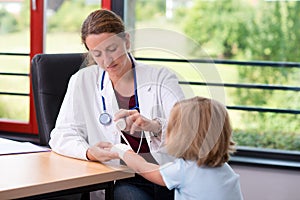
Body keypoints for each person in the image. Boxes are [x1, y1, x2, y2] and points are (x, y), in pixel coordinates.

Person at [49, 9, 185, 199]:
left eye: (112, 49)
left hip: (165, 173)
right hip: (121, 178)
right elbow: (61, 135)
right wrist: (89, 152)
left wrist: (154, 126)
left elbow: (186, 129)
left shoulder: (161, 77)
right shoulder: (82, 81)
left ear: (127, 41)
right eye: (97, 54)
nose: (107, 61)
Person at [110, 96, 244, 200]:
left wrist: (121, 150)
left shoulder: (184, 170)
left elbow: (143, 168)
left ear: (182, 136)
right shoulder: (225, 169)